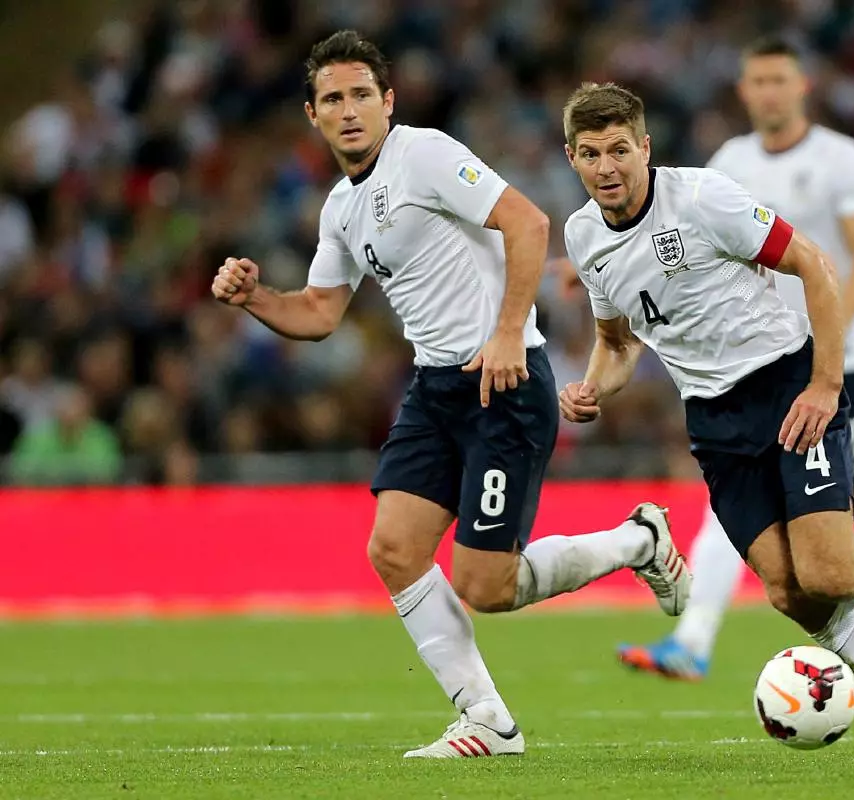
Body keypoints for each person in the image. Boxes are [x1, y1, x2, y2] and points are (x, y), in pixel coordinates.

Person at [210, 31, 691, 760]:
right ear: (312, 113)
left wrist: (505, 333)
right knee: (394, 550)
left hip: (505, 378)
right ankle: (487, 719)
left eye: (362, 95)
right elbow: (318, 311)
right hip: (436, 388)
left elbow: (527, 222)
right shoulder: (342, 208)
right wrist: (254, 299)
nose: (349, 111)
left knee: (485, 585)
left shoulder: (424, 154)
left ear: (387, 101)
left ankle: (639, 540)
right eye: (333, 99)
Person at [557, 80, 854, 767]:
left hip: (789, 386)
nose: (607, 166)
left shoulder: (703, 199)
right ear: (571, 158)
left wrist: (826, 383)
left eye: (620, 149)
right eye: (591, 154)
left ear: (645, 148)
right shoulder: (584, 237)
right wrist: (593, 388)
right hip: (714, 422)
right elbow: (618, 345)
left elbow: (813, 266)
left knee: (829, 573)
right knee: (791, 593)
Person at [618, 35, 854, 681]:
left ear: (801, 85)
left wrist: (828, 338)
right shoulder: (730, 160)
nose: (769, 92)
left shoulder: (839, 157)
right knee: (743, 504)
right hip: (762, 361)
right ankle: (694, 638)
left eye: (781, 79)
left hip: (837, 357)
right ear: (744, 90)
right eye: (758, 81)